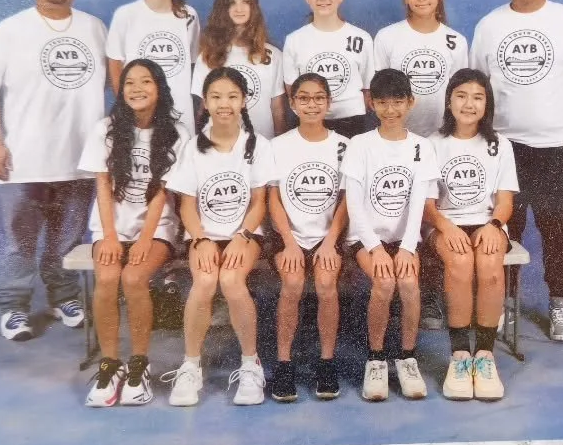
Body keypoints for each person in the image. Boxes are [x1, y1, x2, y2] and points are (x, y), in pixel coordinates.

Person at [0, 0, 108, 342]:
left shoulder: (96, 28)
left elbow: (122, 85)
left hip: (81, 160)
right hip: (24, 161)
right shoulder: (10, 30)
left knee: (69, 240)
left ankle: (64, 297)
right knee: (20, 242)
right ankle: (14, 308)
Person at [471, 0, 563, 344]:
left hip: (558, 148)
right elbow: (476, 86)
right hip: (505, 149)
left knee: (557, 228)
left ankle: (560, 301)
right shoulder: (489, 26)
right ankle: (502, 301)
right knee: (504, 231)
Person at [164, 68, 274, 408]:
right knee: (205, 281)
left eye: (231, 96)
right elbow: (186, 205)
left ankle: (250, 363)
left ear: (243, 101)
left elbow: (260, 203)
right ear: (206, 103)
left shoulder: (257, 145)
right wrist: (199, 239)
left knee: (231, 279)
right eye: (215, 97)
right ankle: (190, 365)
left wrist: (242, 235)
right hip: (204, 236)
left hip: (246, 234)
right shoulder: (193, 148)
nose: (224, 103)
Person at [77, 59, 185, 407]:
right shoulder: (105, 129)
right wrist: (109, 236)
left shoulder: (177, 133)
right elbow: (103, 187)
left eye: (146, 82)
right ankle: (110, 364)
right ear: (121, 92)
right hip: (110, 226)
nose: (137, 89)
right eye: (129, 84)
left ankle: (139, 363)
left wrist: (143, 237)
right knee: (108, 280)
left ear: (160, 88)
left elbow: (162, 194)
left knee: (135, 279)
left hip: (156, 227)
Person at [343, 68, 438, 402]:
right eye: (382, 102)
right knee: (384, 282)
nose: (390, 110)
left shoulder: (422, 147)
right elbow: (353, 202)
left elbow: (417, 202)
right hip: (366, 238)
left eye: (398, 102)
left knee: (409, 283)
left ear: (410, 102)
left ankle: (407, 357)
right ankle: (377, 359)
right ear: (371, 104)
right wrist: (375, 248)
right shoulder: (360, 145)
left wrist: (409, 247)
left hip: (405, 239)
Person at [424, 69, 516, 402]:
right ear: (449, 101)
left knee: (490, 267)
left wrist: (494, 226)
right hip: (445, 224)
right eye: (461, 96)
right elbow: (427, 204)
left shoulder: (499, 145)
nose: (469, 103)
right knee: (461, 265)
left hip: (487, 223)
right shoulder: (433, 144)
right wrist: (445, 226)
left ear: (487, 105)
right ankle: (461, 356)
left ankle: (485, 356)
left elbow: (505, 201)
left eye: (478, 97)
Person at [266, 73, 348, 402]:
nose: (311, 104)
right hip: (290, 236)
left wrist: (330, 241)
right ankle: (284, 364)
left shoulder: (344, 145)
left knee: (327, 284)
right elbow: (272, 198)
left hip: (329, 236)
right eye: (303, 98)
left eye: (318, 98)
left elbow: (346, 199)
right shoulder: (278, 145)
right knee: (292, 284)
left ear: (328, 103)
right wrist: (287, 241)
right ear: (293, 103)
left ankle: (326, 363)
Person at [373, 0, 469, 138]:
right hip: (399, 134)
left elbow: (460, 93)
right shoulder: (386, 37)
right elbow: (380, 91)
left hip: (443, 134)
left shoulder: (457, 41)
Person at [282, 0, 373, 139]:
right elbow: (292, 90)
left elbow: (367, 89)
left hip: (352, 122)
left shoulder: (362, 38)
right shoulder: (294, 40)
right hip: (309, 123)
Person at [193, 0, 285, 139]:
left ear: (253, 7)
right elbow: (203, 110)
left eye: (246, 1)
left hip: (261, 147)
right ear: (223, 9)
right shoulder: (208, 56)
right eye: (231, 3)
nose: (239, 8)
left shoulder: (272, 56)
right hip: (219, 147)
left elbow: (277, 110)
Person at [104, 0, 198, 98]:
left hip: (181, 109)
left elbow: (193, 64)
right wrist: (125, 105)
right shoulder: (125, 15)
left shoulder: (189, 15)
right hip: (140, 109)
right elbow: (115, 66)